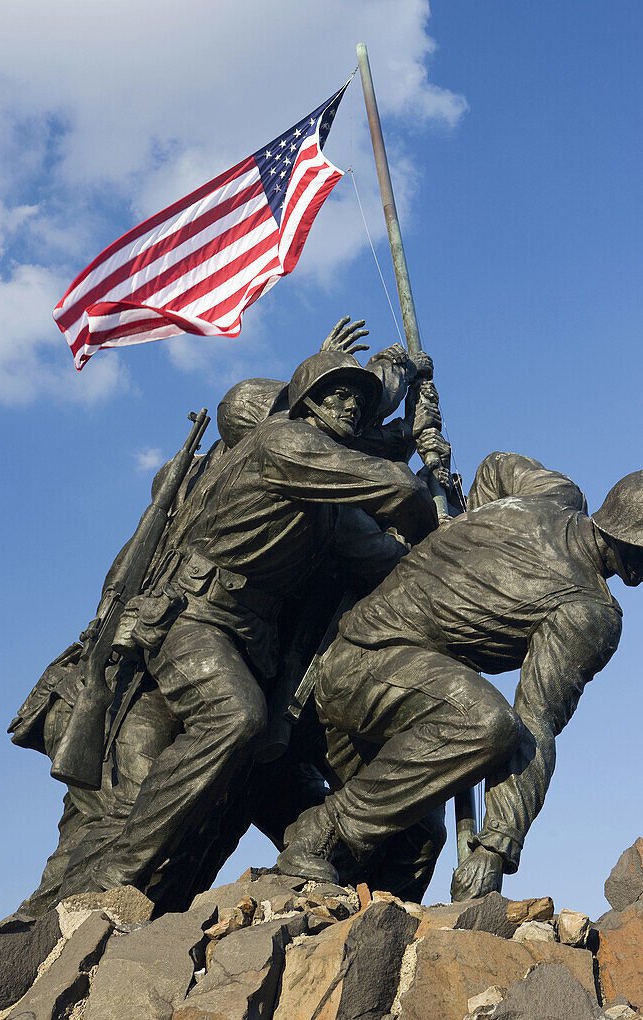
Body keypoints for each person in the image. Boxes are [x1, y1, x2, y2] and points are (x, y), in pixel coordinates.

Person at [57, 347, 437, 897]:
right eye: (337, 393)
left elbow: (385, 557)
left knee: (258, 774)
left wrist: (438, 496)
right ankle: (116, 876)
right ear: (304, 404)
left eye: (358, 397)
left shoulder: (326, 501)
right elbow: (396, 488)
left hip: (252, 641)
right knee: (233, 718)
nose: (351, 405)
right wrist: (420, 480)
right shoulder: (285, 442)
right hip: (195, 616)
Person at [277, 454, 643, 901]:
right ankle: (322, 833)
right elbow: (534, 723)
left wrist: (464, 526)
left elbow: (496, 466)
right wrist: (496, 847)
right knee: (486, 723)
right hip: (367, 668)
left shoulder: (554, 495)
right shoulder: (589, 612)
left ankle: (358, 919)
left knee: (419, 841)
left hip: (378, 681)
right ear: (628, 536)